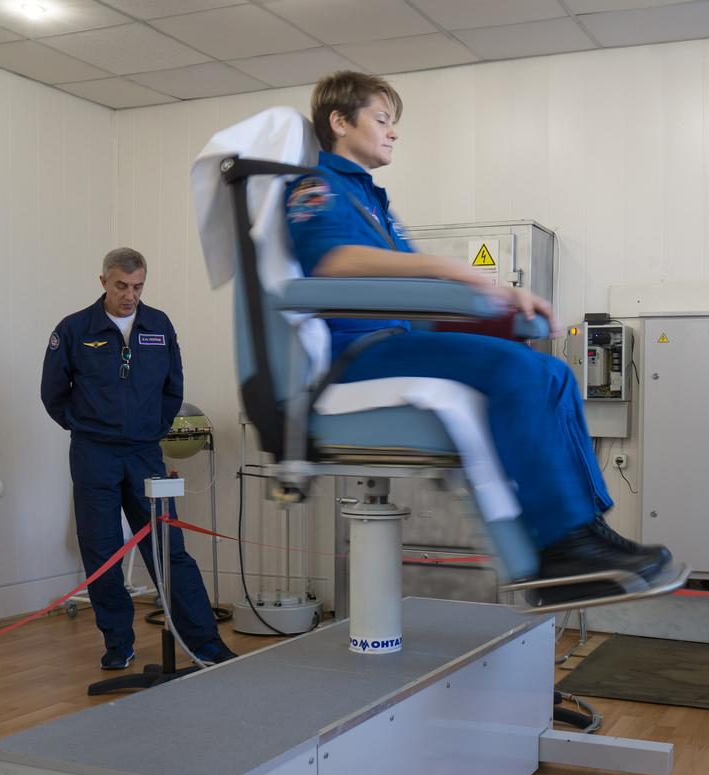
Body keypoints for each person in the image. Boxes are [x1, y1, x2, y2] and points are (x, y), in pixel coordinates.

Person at [281, 71, 673, 604]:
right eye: (382, 120)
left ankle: (583, 532)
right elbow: (332, 263)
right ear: (339, 121)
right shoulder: (316, 187)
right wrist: (448, 267)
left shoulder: (371, 201)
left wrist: (503, 303)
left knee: (553, 370)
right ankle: (559, 544)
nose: (393, 133)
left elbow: (412, 287)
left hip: (397, 340)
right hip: (357, 355)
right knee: (519, 371)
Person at [41, 248, 237, 670]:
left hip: (145, 454)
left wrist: (151, 429)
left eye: (138, 286)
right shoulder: (74, 329)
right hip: (94, 455)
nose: (130, 295)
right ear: (103, 282)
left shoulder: (159, 325)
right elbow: (53, 394)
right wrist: (88, 427)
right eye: (121, 286)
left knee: (170, 548)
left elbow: (173, 387)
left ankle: (204, 642)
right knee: (102, 550)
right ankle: (117, 643)